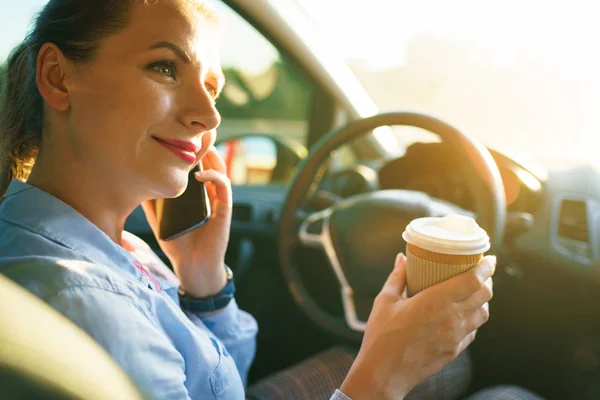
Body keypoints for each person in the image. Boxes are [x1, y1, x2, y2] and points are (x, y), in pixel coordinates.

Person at [0, 1, 544, 399]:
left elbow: (218, 382)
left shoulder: (102, 245)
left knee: (449, 367)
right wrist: (382, 379)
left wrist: (201, 277)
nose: (209, 116)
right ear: (58, 76)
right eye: (165, 67)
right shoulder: (86, 300)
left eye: (211, 88)